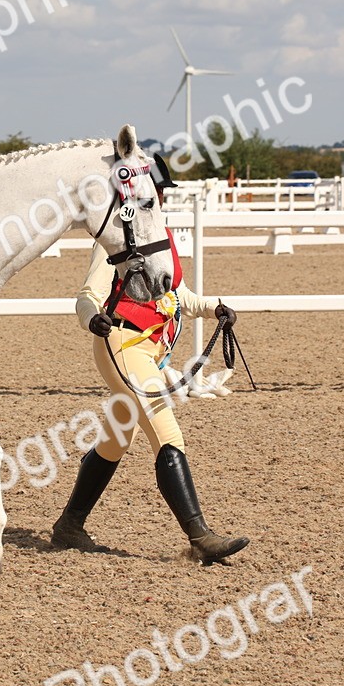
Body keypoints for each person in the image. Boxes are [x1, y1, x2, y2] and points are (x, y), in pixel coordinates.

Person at [51, 227, 249, 564]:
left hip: (150, 351)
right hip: (123, 344)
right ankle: (200, 536)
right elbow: (88, 295)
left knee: (115, 442)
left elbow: (178, 295)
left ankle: (70, 525)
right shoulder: (114, 240)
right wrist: (90, 318)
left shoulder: (161, 237)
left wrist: (214, 308)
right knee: (167, 433)